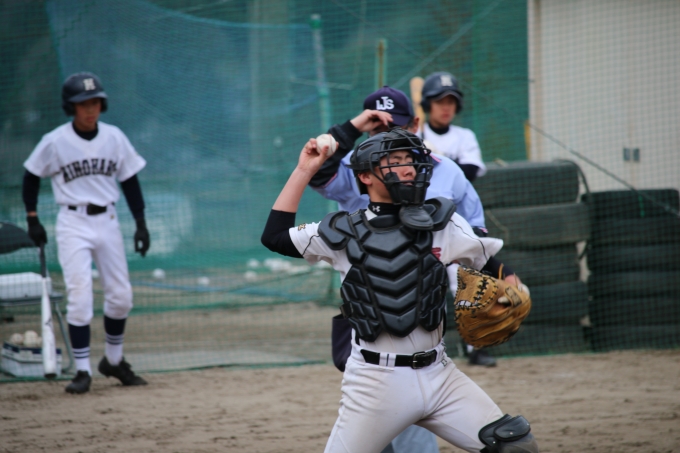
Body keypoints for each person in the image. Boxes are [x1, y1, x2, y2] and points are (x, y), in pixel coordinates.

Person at [261, 129, 538, 453]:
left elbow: (489, 261)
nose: (408, 168)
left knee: (515, 446)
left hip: (441, 376)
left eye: (410, 160)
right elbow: (275, 236)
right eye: (394, 161)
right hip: (375, 382)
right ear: (365, 176)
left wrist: (515, 287)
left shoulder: (443, 224)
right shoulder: (340, 232)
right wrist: (304, 170)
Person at [311, 86, 503, 370]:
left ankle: (476, 348)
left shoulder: (446, 170)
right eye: (378, 129)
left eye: (396, 127)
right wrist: (352, 127)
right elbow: (316, 171)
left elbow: (475, 228)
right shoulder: (355, 167)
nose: (389, 138)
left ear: (414, 125)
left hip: (425, 292)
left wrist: (502, 274)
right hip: (368, 296)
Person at [22, 72, 149, 394]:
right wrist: (32, 218)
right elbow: (31, 175)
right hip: (73, 223)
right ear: (71, 107)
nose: (90, 109)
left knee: (121, 296)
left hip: (108, 220)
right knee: (79, 297)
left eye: (95, 102)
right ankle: (82, 370)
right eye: (83, 104)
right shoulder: (55, 141)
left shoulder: (114, 137)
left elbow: (130, 180)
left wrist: (141, 222)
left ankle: (114, 361)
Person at [419, 71, 486, 183]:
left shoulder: (465, 136)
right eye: (439, 102)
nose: (446, 108)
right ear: (428, 104)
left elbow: (470, 172)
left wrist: (436, 158)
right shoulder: (415, 135)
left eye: (450, 102)